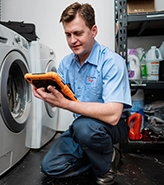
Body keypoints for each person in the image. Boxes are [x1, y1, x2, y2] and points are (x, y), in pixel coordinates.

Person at [32, 2, 131, 185]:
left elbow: (113, 115)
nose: (72, 41)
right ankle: (102, 156)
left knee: (84, 127)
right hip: (82, 128)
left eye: (78, 33)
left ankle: (105, 167)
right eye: (68, 34)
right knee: (50, 167)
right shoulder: (66, 64)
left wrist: (67, 104)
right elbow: (60, 100)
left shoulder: (111, 62)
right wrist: (48, 95)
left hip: (112, 127)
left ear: (93, 31)